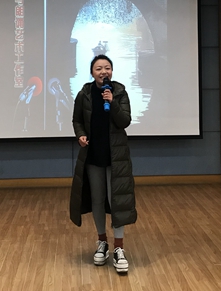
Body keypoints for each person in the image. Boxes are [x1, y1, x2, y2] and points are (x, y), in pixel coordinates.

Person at [69, 54, 137, 274]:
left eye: (107, 68)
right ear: (92, 72)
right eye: (98, 68)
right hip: (93, 156)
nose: (103, 72)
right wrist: (80, 135)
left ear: (112, 71)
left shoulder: (119, 92)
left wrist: (112, 102)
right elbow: (77, 120)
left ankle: (119, 248)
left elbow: (124, 121)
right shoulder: (84, 94)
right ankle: (102, 242)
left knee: (116, 200)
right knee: (97, 200)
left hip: (115, 157)